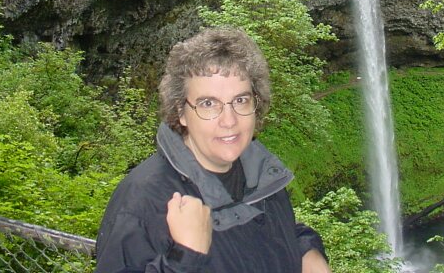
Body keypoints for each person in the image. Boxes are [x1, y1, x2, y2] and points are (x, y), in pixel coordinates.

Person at [95, 27, 332, 273]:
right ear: (181, 112)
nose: (229, 120)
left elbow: (264, 238)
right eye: (208, 104)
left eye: (241, 100)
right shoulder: (142, 201)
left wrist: (306, 249)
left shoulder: (261, 177)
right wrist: (184, 258)